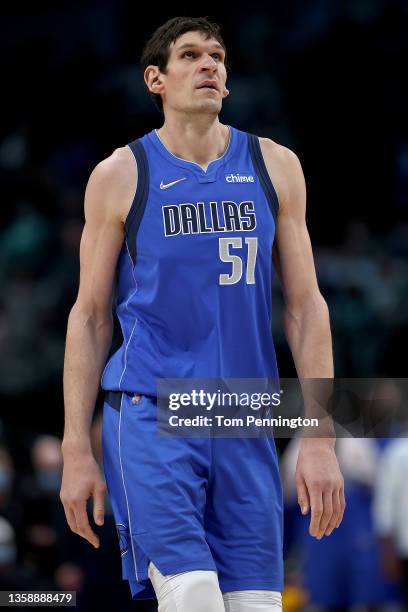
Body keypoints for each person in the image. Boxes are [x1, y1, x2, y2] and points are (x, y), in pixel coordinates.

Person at [60, 16, 345, 612]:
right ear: (155, 79)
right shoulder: (120, 175)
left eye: (216, 55)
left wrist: (319, 437)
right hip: (151, 410)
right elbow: (88, 318)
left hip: (243, 415)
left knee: (256, 606)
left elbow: (306, 308)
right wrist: (74, 448)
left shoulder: (274, 166)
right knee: (191, 596)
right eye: (189, 56)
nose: (209, 65)